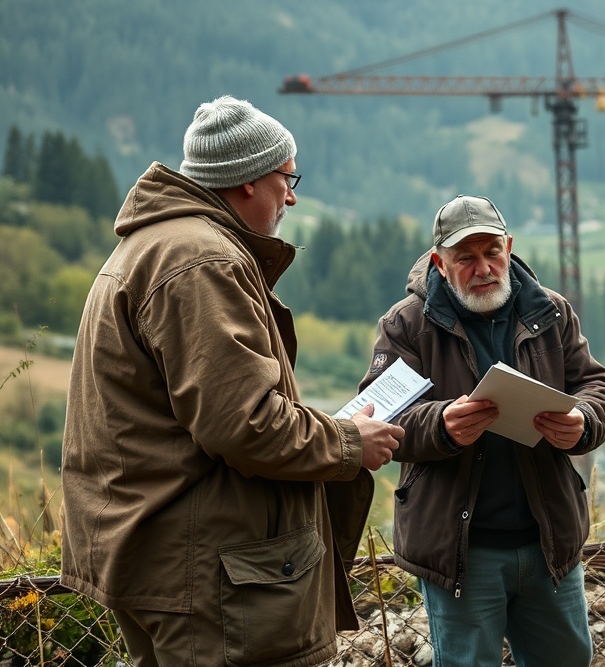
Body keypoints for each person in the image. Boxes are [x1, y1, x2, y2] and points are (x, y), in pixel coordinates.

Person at [60, 95, 405, 667]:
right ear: (248, 182)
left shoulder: (155, 245)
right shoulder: (203, 262)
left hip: (168, 556)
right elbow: (243, 423)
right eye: (287, 178)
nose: (292, 196)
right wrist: (348, 442)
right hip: (211, 575)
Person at [358, 194, 605, 667]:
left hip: (548, 545)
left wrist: (582, 422)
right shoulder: (407, 325)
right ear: (440, 262)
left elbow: (596, 385)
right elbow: (379, 417)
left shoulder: (549, 311)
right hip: (462, 554)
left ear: (509, 246)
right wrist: (440, 425)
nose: (484, 268)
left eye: (492, 252)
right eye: (466, 258)